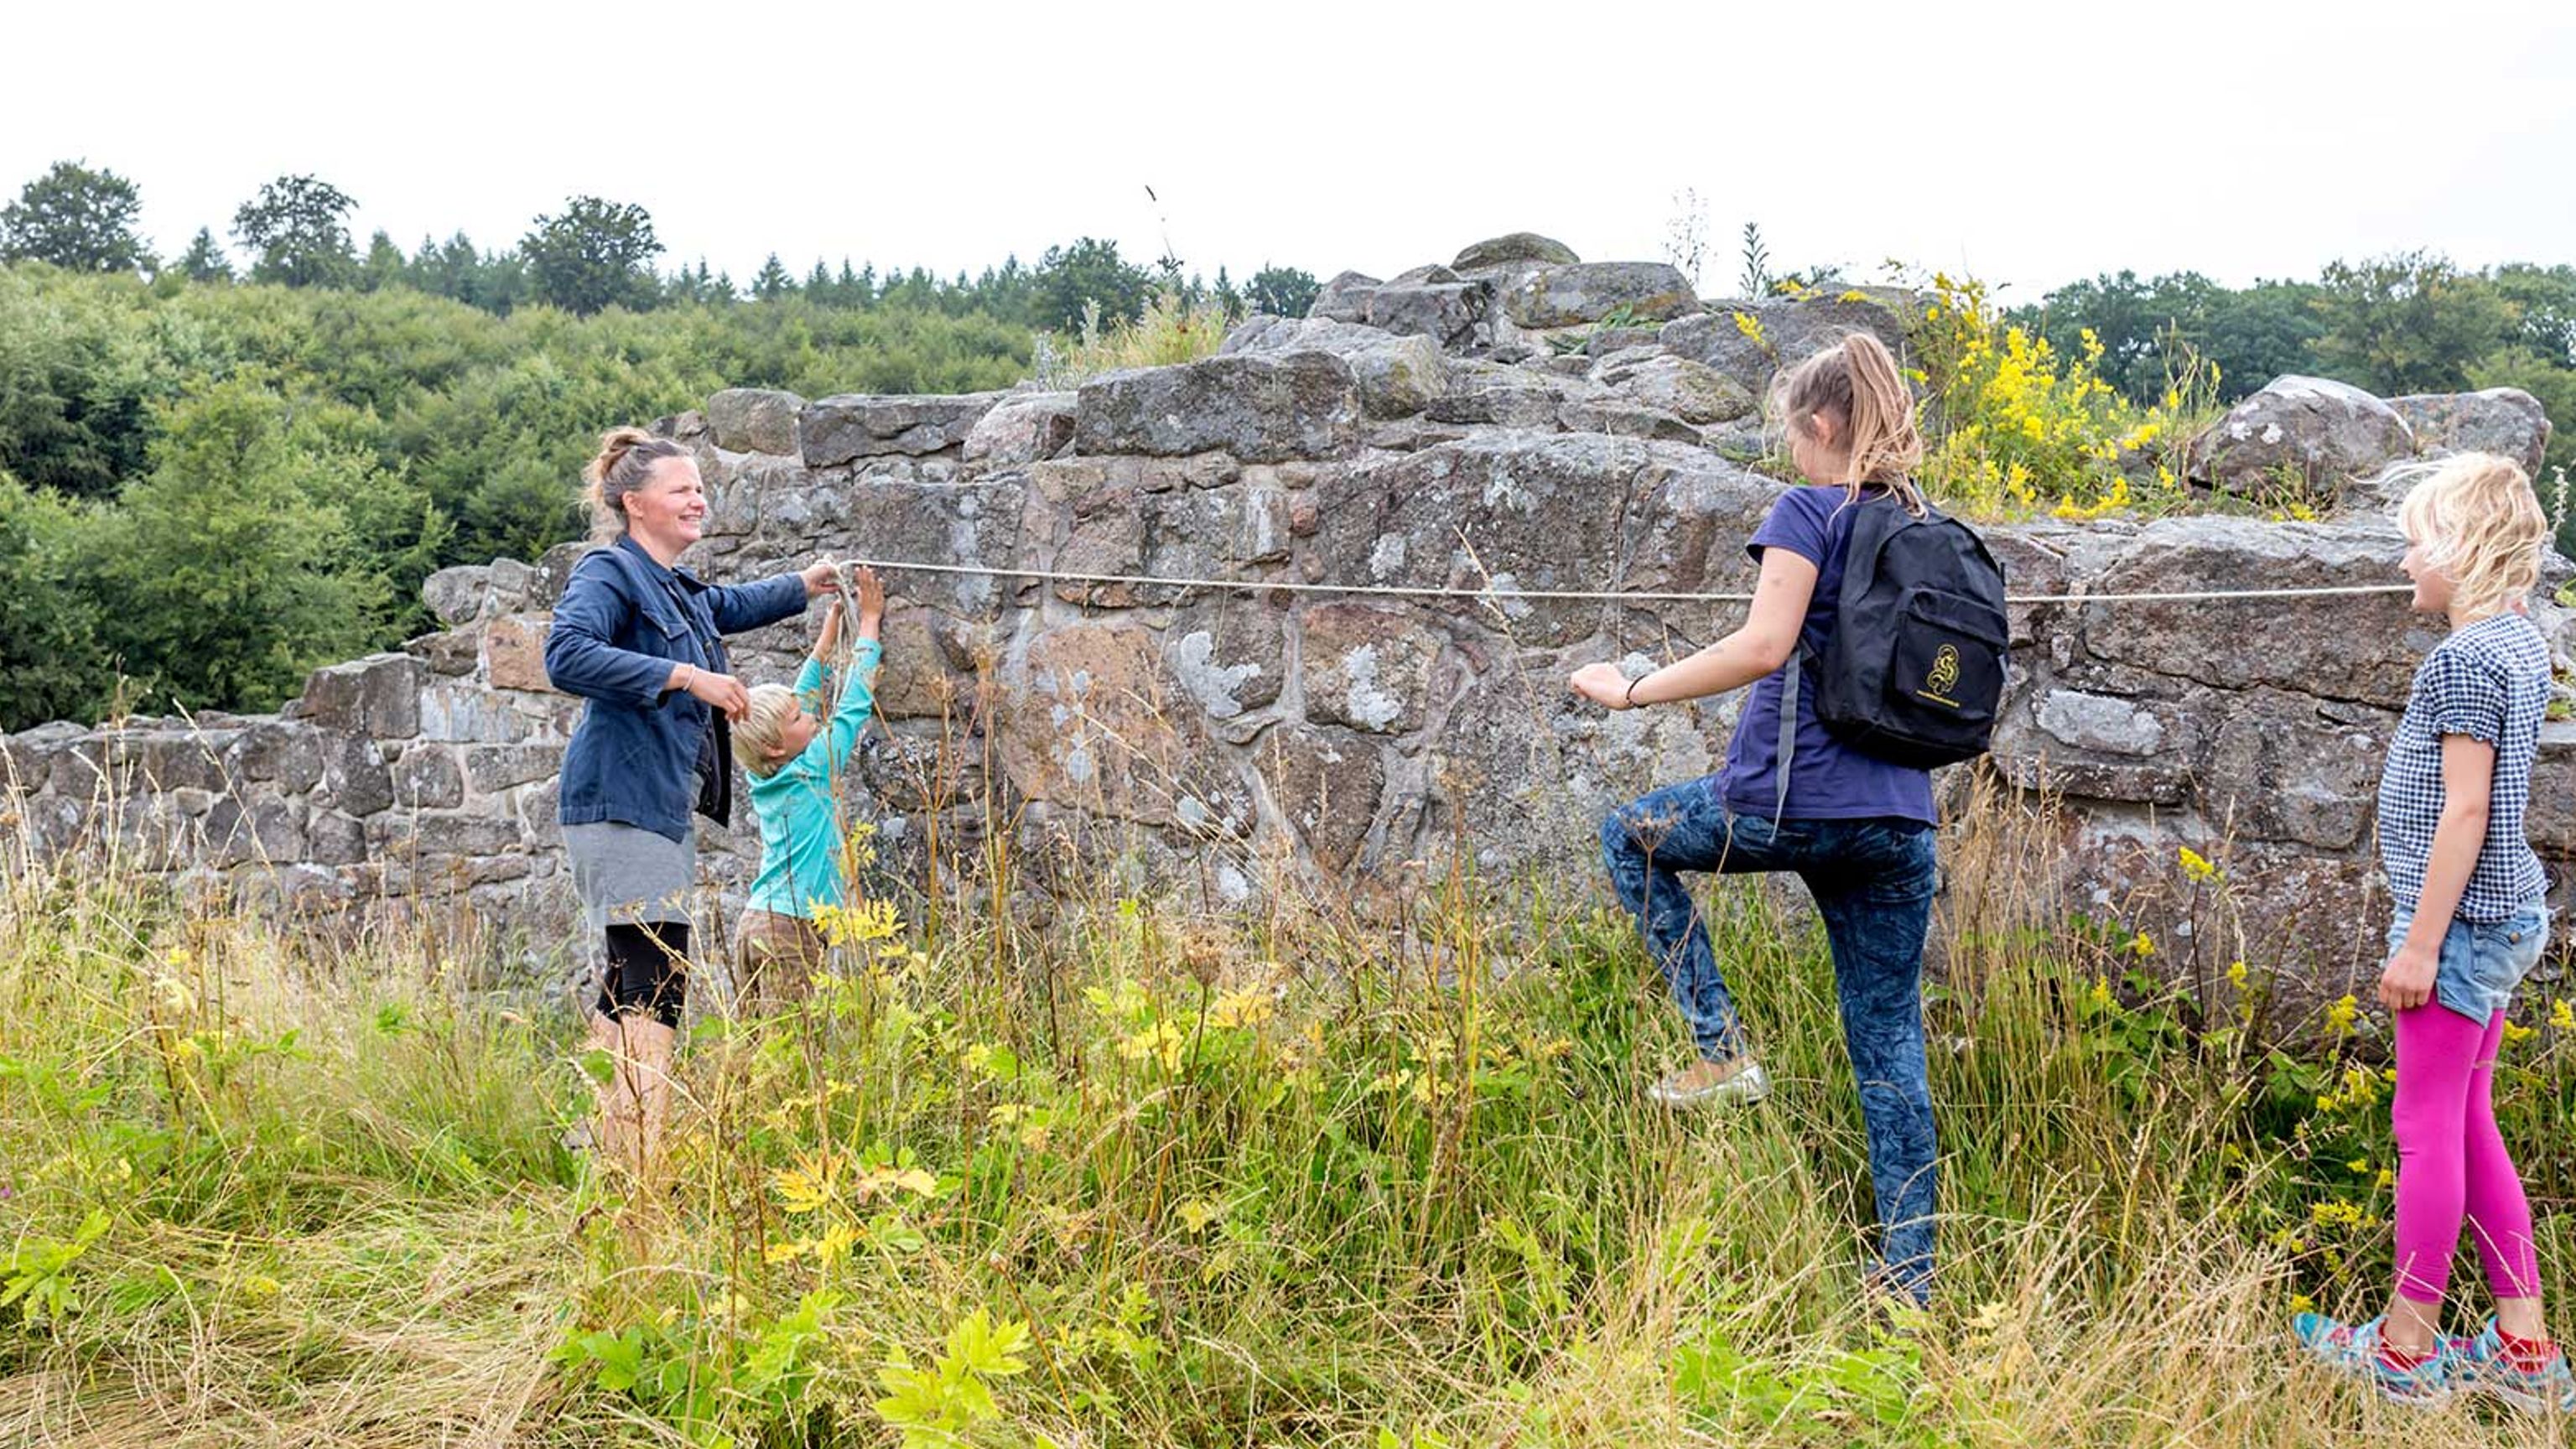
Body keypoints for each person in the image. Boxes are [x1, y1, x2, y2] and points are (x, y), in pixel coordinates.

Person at [1571, 332, 1944, 1302]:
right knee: (1891, 1051)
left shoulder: (1808, 510)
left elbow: (1762, 644)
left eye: (1797, 436)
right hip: (1901, 820)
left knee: (1631, 834)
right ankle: (1910, 1287)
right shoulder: (1927, 529)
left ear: (1821, 425)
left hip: (1793, 802)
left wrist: (1634, 688)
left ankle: (1720, 1049)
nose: (1794, 455)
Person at [2294, 452, 2562, 1410]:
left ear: (2463, 547)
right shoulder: (2521, 642)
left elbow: (2465, 813)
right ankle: (2525, 1351)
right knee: (2468, 1119)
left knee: (2424, 1130)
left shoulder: (2463, 658)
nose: (2404, 558)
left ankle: (2404, 1352)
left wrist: (2420, 945)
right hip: (2504, 915)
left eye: (2416, 541)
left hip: (2459, 927)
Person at [543, 425, 842, 1171]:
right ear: (633, 502)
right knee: (654, 980)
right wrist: (684, 678)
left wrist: (809, 583)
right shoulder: (607, 571)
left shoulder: (675, 587)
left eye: (701, 488)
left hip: (656, 808)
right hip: (620, 802)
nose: (698, 500)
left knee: (629, 981)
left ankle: (607, 1158)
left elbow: (729, 606)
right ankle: (643, 1170)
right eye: (682, 490)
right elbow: (566, 653)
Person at [732, 564, 886, 1010]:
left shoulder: (762, 772)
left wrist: (826, 641)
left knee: (757, 1042)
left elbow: (801, 697)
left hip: (755, 920)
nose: (810, 716)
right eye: (798, 720)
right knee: (792, 1044)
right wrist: (870, 622)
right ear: (777, 747)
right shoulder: (813, 767)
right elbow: (853, 705)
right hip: (790, 928)